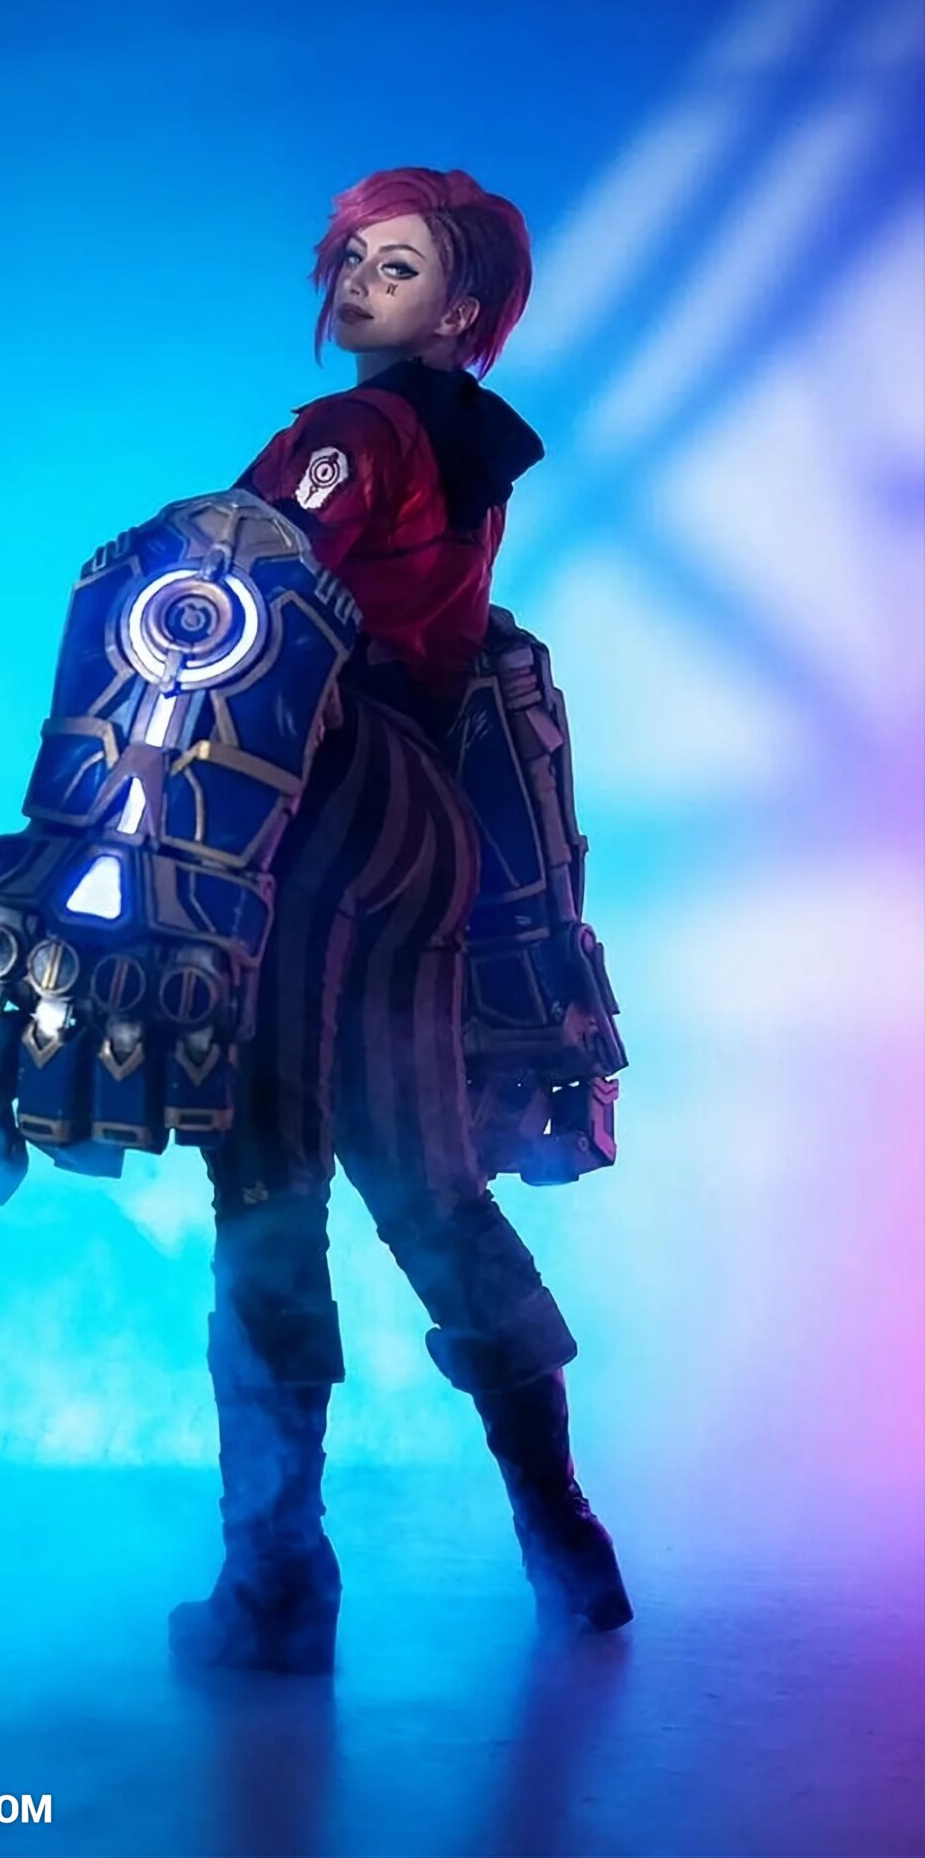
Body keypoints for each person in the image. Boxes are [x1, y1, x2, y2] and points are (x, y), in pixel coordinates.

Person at [167, 168, 632, 1677]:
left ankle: (274, 1594)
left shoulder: (353, 436)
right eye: (354, 259)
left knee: (268, 1186)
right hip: (424, 823)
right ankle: (569, 1546)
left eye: (399, 265)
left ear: (463, 306)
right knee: (431, 1188)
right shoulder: (464, 443)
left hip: (321, 816)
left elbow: (242, 589)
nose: (361, 284)